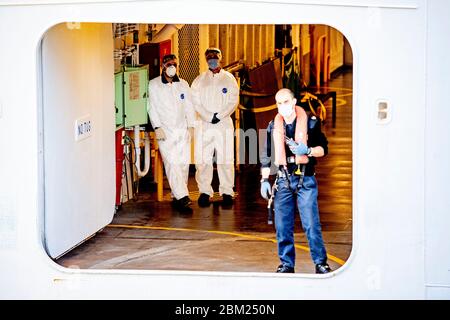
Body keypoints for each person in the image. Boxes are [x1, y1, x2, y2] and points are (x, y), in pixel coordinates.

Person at [260, 88, 332, 274]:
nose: (282, 106)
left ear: (293, 102)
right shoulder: (273, 126)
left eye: (285, 102)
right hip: (283, 179)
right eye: (278, 103)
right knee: (282, 225)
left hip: (305, 179)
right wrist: (264, 179)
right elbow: (266, 155)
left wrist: (307, 151)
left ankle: (320, 262)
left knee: (311, 223)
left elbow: (323, 149)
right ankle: (286, 263)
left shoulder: (311, 123)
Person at [147, 53, 196, 212]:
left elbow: (189, 106)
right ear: (163, 66)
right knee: (172, 162)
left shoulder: (183, 84)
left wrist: (191, 126)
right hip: (165, 131)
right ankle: (183, 197)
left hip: (182, 129)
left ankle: (177, 196)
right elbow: (151, 107)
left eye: (174, 64)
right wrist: (157, 126)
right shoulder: (154, 85)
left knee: (183, 163)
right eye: (168, 64)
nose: (171, 67)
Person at [191, 47, 239, 207]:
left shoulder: (229, 79)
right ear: (205, 59)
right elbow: (195, 101)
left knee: (226, 158)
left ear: (220, 57)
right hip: (204, 125)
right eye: (209, 56)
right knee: (203, 159)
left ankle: (227, 192)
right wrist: (207, 116)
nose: (212, 59)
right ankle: (205, 191)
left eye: (215, 56)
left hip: (223, 124)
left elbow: (233, 101)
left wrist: (219, 115)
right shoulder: (199, 80)